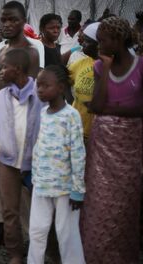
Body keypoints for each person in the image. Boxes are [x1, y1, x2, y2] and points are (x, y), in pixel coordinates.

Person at [81, 16, 143, 264]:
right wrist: (105, 68)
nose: (99, 45)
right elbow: (96, 106)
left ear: (118, 41)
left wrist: (110, 110)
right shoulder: (99, 67)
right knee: (98, 204)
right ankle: (95, 257)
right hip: (103, 146)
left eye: (103, 41)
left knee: (125, 207)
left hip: (131, 146)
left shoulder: (140, 66)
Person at [0, 48, 45, 264]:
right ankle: (16, 255)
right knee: (10, 212)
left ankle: (45, 253)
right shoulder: (2, 96)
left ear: (17, 69)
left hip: (36, 164)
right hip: (8, 163)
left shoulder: (40, 95)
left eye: (4, 68)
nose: (0, 72)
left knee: (40, 212)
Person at [27, 65, 86, 264]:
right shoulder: (43, 113)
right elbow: (39, 147)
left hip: (65, 189)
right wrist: (33, 175)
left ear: (61, 88)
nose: (40, 89)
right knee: (36, 231)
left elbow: (78, 153)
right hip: (41, 185)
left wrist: (78, 189)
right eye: (38, 85)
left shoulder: (71, 116)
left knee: (67, 234)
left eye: (45, 85)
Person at [69, 22, 99, 140]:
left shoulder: (112, 67)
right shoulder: (80, 63)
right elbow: (63, 79)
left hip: (99, 132)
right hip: (77, 129)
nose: (83, 43)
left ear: (98, 44)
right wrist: (72, 100)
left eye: (87, 41)